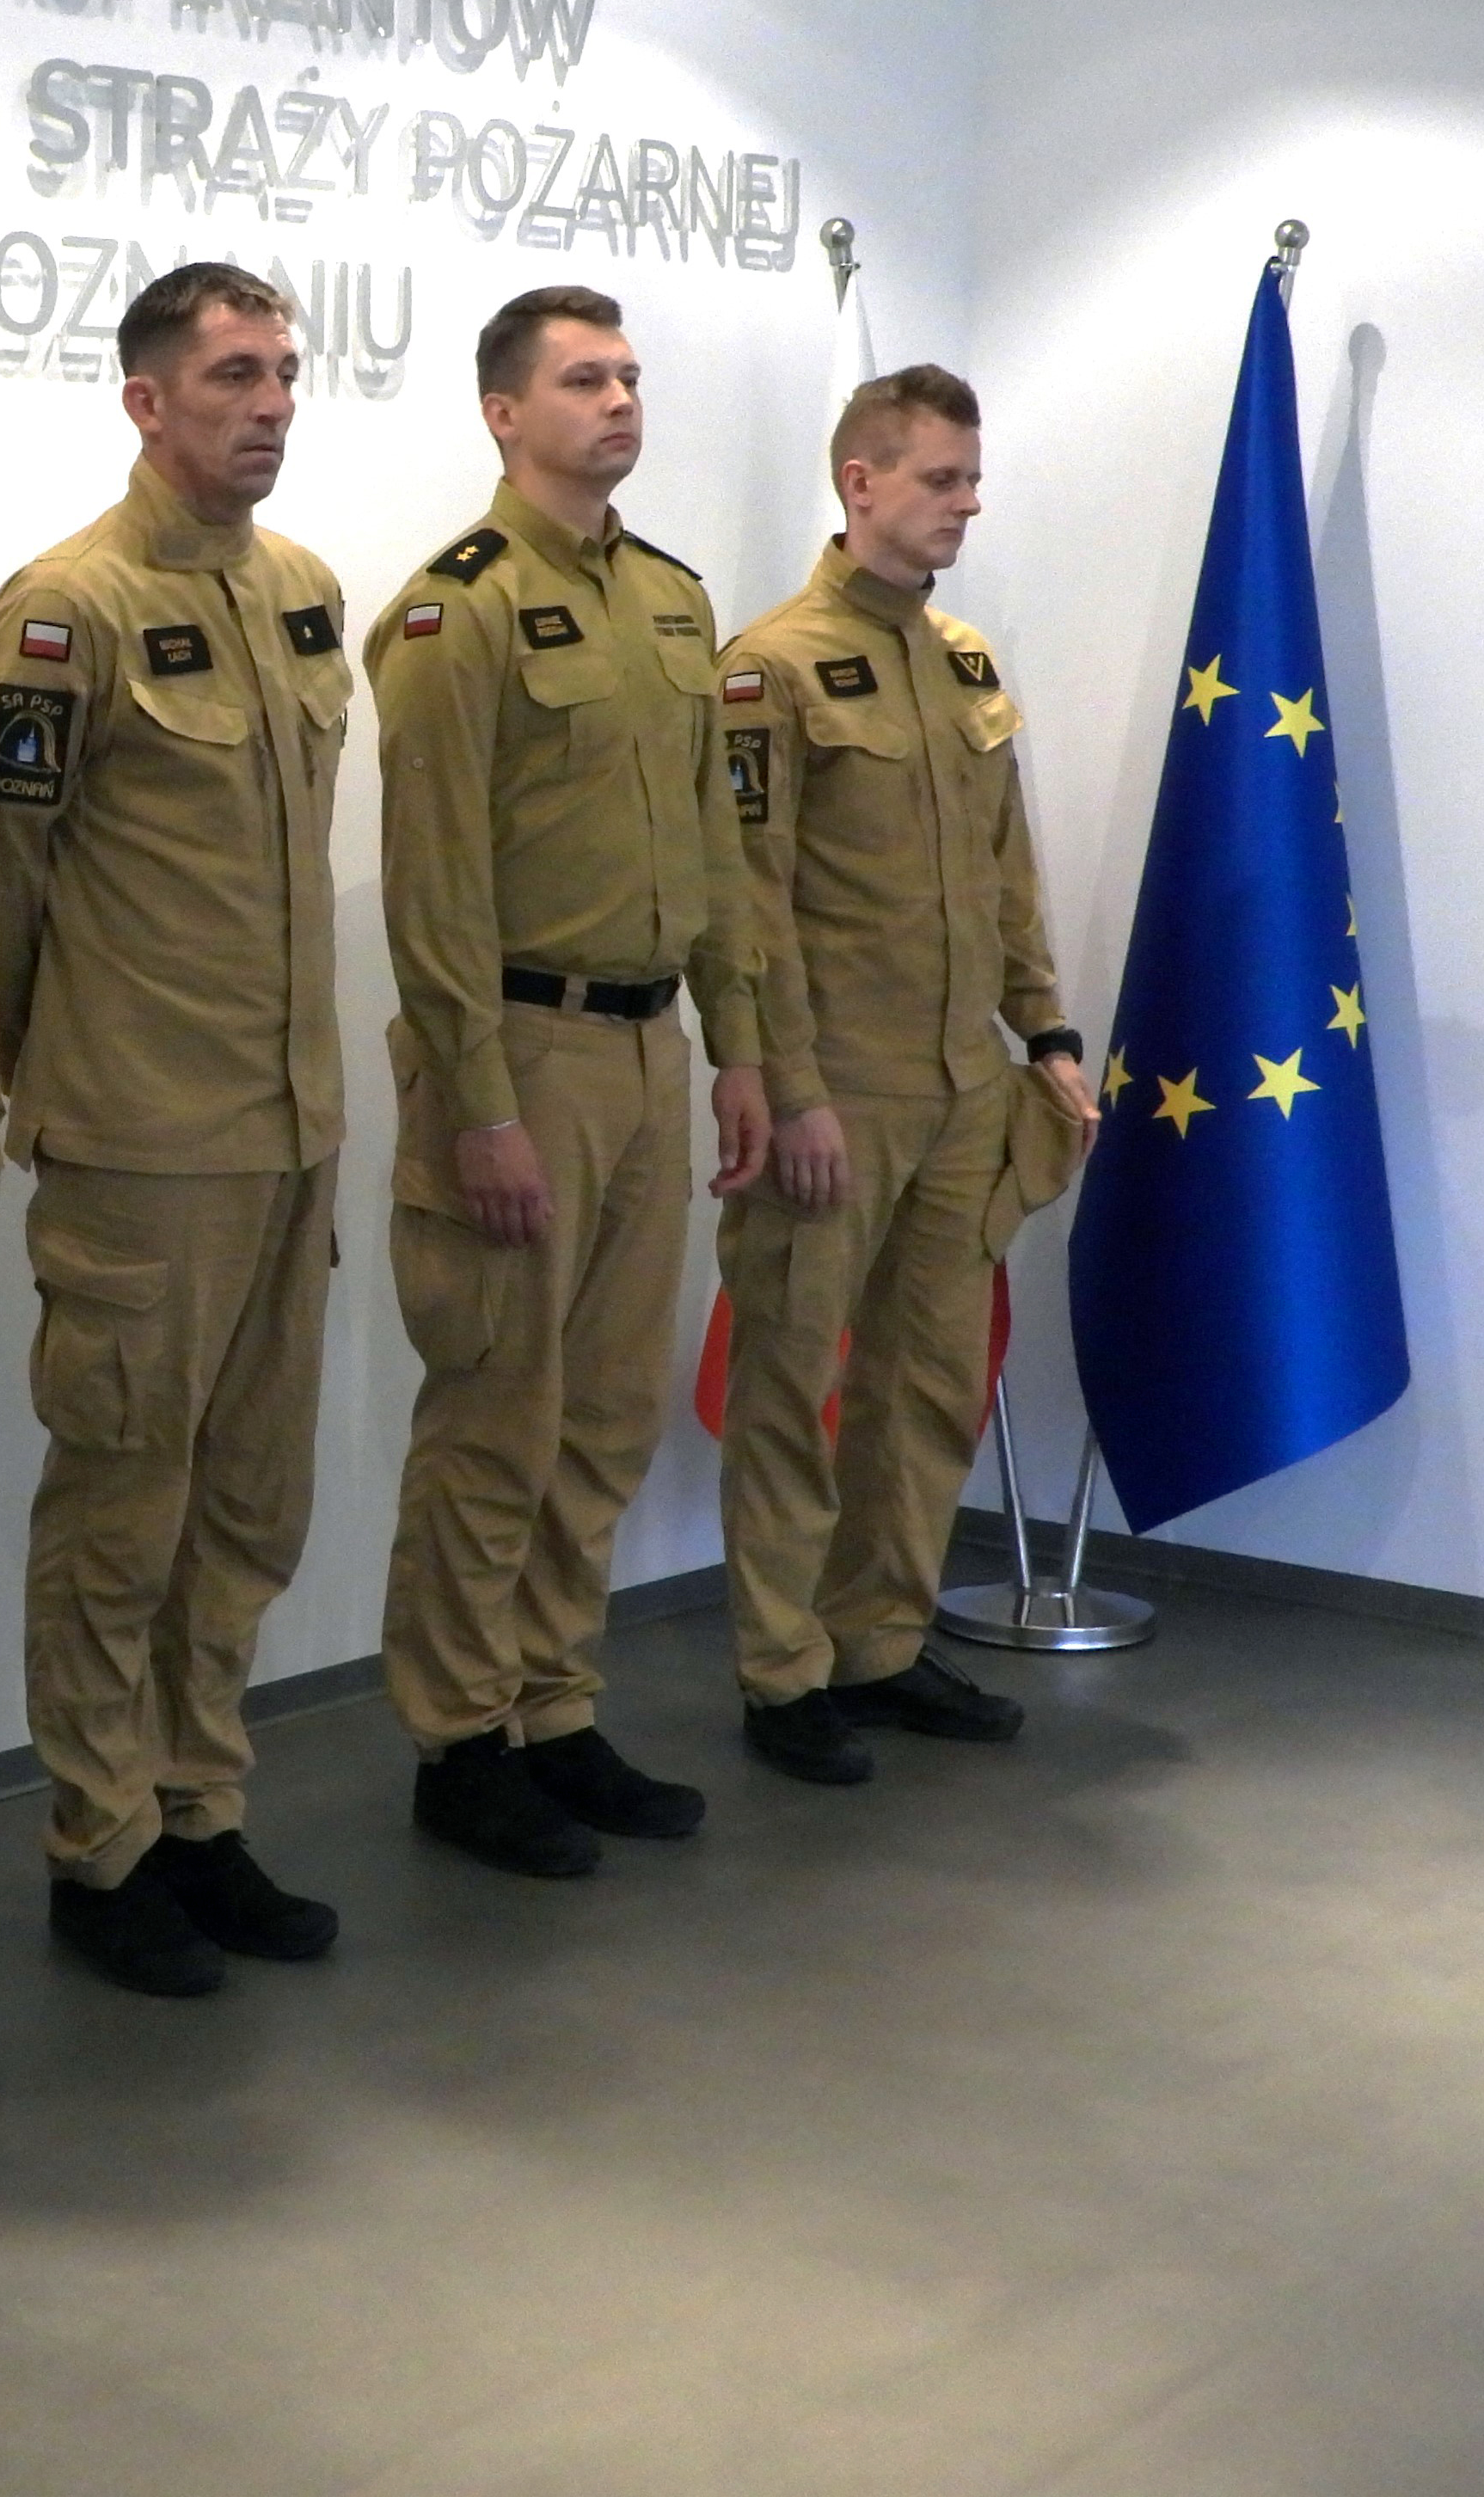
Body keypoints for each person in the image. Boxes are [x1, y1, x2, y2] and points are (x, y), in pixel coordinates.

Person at [0, 263, 352, 1999]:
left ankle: (203, 1812)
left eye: (282, 373)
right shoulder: (67, 612)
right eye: (230, 377)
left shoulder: (304, 592)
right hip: (141, 1140)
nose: (268, 405)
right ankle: (101, 1844)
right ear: (145, 400)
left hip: (289, 1132)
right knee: (122, 1511)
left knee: (249, 1506)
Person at [361, 285, 768, 1880]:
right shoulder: (452, 612)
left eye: (629, 376)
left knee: (600, 1411)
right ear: (502, 412)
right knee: (496, 1412)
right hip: (519, 1051)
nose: (618, 401)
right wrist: (478, 1104)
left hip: (649, 1047)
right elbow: (433, 888)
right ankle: (460, 1742)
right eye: (583, 379)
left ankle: (554, 1705)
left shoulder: (671, 602)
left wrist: (739, 1049)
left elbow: (718, 848)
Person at [714, 365, 1095, 1784]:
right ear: (859, 481)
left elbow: (1007, 873)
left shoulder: (966, 663)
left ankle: (877, 1638)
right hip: (841, 1090)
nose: (967, 503)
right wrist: (790, 1087)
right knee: (791, 1378)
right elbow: (747, 901)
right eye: (941, 478)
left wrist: (1045, 1034)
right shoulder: (771, 668)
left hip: (961, 1089)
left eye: (973, 478)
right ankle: (782, 1670)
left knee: (927, 1384)